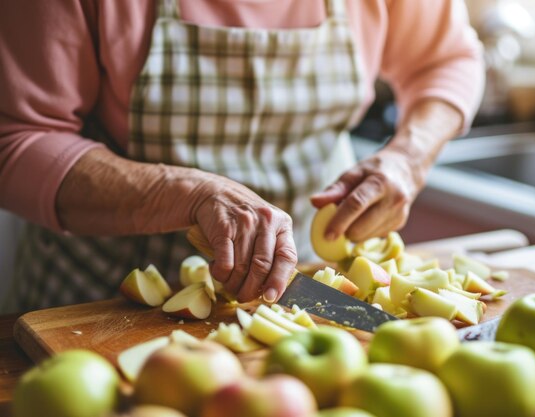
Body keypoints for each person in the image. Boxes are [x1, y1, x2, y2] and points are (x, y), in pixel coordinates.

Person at [0, 0, 484, 313]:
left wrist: (408, 157)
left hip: (298, 294)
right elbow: (16, 139)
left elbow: (447, 59)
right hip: (103, 300)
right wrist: (190, 193)